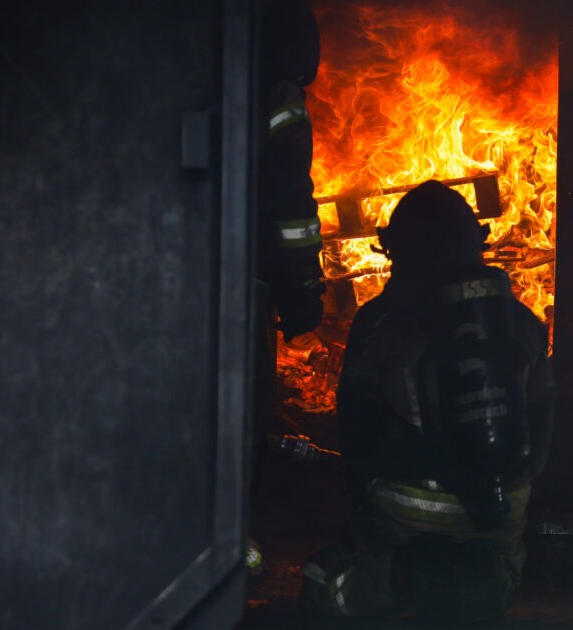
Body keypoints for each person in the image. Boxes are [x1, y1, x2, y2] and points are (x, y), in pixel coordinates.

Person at [300, 181, 555, 623]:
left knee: (319, 583)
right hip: (496, 520)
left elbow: (356, 443)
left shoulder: (378, 325)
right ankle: (486, 579)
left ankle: (405, 576)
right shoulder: (524, 325)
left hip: (400, 523)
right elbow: (544, 437)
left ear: (395, 252)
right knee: (494, 577)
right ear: (477, 243)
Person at [248, 0, 324, 576]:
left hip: (203, 273)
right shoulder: (280, 102)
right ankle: (235, 544)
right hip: (249, 284)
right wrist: (302, 284)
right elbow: (290, 201)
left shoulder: (228, 80)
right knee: (247, 407)